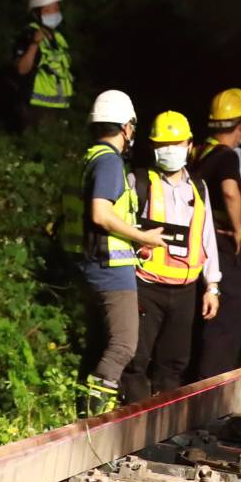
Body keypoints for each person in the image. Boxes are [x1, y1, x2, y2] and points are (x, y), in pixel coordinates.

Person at [79, 87, 167, 414]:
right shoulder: (109, 164)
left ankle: (81, 415)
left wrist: (132, 242)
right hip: (109, 272)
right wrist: (143, 237)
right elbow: (101, 214)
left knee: (98, 347)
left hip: (95, 264)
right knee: (123, 346)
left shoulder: (91, 158)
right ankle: (96, 419)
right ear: (127, 127)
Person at [126, 110, 220, 403]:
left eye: (177, 142)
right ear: (153, 147)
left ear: (190, 145)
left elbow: (208, 239)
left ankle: (163, 426)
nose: (170, 149)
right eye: (163, 143)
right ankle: (132, 422)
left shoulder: (199, 189)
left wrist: (212, 286)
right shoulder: (138, 182)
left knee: (174, 364)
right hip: (146, 287)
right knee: (135, 362)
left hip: (185, 292)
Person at [193, 88, 241, 379]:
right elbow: (230, 192)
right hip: (220, 241)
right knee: (230, 309)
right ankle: (215, 386)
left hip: (198, 243)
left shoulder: (198, 153)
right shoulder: (226, 156)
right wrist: (236, 230)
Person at [12, 0, 74, 131]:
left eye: (56, 8)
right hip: (36, 108)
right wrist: (34, 43)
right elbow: (21, 69)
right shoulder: (28, 35)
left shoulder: (59, 38)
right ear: (36, 14)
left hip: (59, 107)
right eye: (47, 10)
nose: (54, 13)